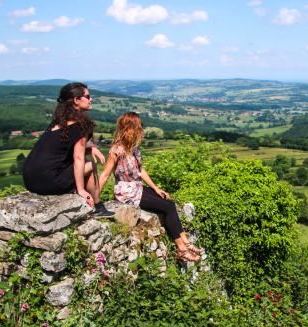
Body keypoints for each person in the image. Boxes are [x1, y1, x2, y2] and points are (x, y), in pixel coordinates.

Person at [99, 112, 203, 262]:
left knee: (168, 202)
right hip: (127, 192)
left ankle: (185, 243)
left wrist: (155, 188)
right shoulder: (117, 150)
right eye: (138, 127)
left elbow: (140, 170)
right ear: (130, 128)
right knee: (167, 207)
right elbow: (105, 175)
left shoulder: (134, 148)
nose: (141, 130)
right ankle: (183, 249)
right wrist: (95, 200)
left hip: (137, 188)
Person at [23, 82, 114, 217]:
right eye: (88, 97)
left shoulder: (58, 121)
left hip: (30, 181)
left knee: (84, 159)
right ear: (76, 100)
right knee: (90, 164)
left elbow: (64, 146)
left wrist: (91, 148)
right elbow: (78, 158)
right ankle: (99, 207)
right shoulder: (82, 125)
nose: (91, 99)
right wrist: (81, 190)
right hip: (50, 182)